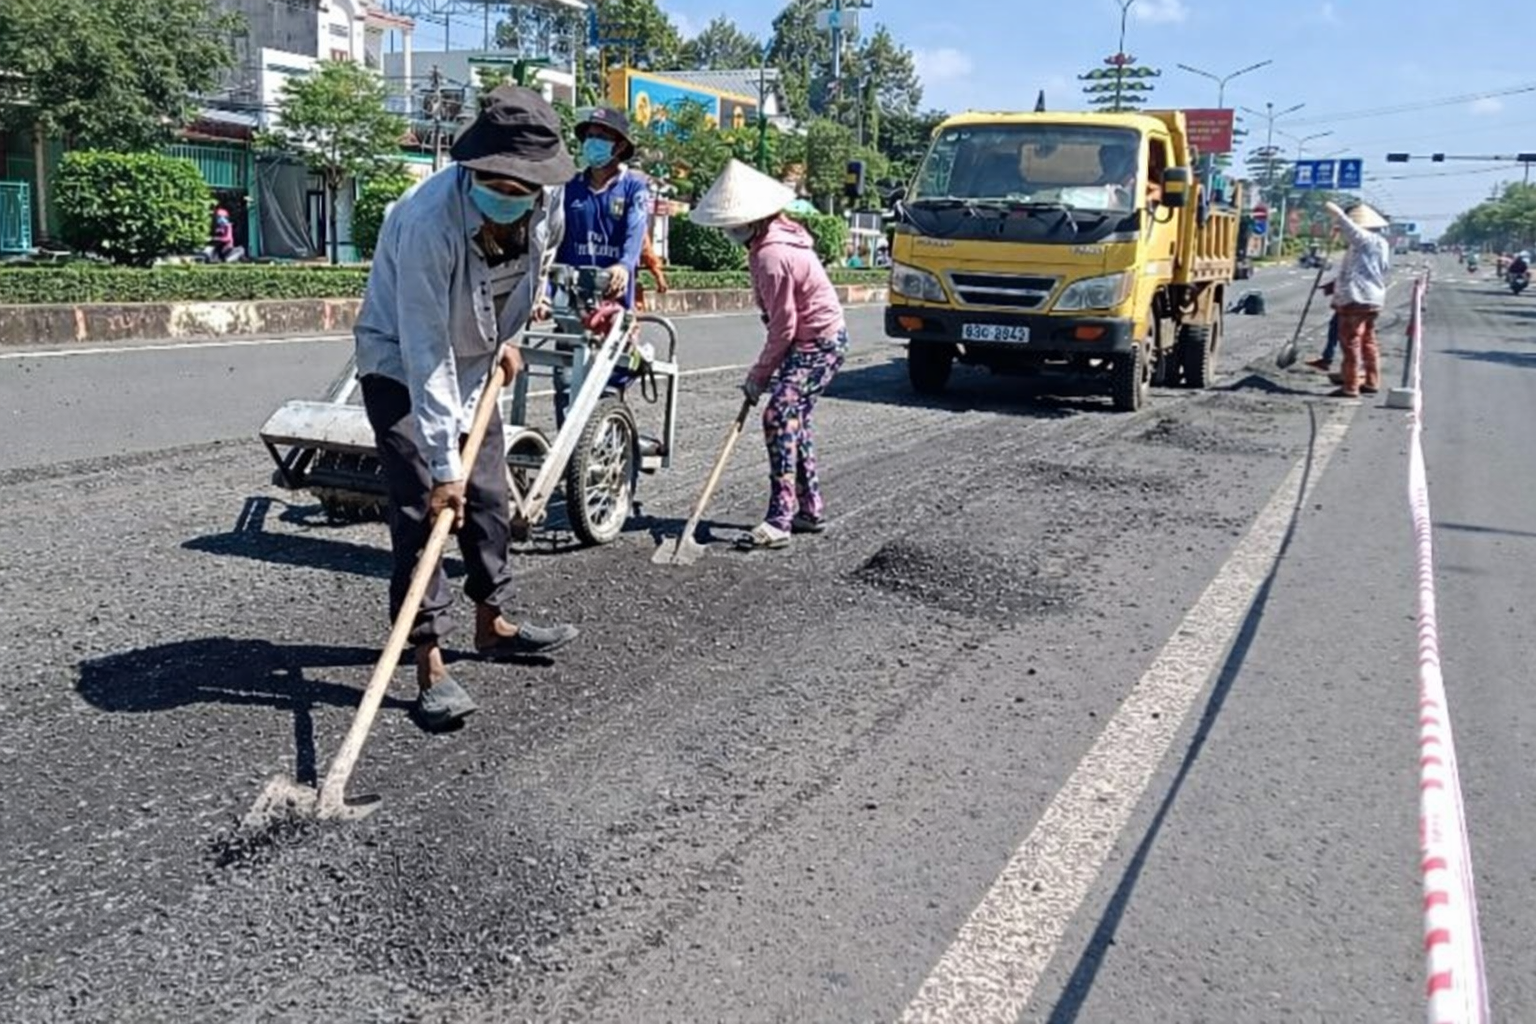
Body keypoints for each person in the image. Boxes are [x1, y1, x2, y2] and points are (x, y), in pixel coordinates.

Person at [352, 85, 581, 731]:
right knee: (423, 505)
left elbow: (540, 264)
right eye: (497, 184)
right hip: (401, 361)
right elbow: (425, 350)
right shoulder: (426, 222)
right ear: (471, 168)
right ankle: (427, 656)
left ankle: (493, 622)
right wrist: (441, 464)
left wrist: (506, 339)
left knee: (487, 498)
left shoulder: (549, 201)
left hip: (478, 356)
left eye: (524, 187)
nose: (511, 195)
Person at [689, 160, 849, 551]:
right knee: (795, 420)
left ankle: (781, 517)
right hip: (809, 343)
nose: (728, 230)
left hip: (819, 344)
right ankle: (809, 509)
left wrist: (758, 376)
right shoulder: (768, 241)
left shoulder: (771, 255)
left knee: (778, 415)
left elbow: (784, 328)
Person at [553, 106, 650, 423]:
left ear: (619, 146)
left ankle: (604, 453)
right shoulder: (569, 189)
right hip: (570, 305)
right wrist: (543, 290)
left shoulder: (633, 188)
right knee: (566, 384)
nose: (593, 143)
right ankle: (568, 463)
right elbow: (552, 242)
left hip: (613, 307)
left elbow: (636, 232)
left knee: (607, 387)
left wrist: (624, 264)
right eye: (589, 137)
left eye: (601, 137)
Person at [1323, 200, 1391, 398]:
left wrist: (1332, 208)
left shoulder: (1363, 239)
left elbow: (1343, 220)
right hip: (1373, 297)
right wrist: (1335, 284)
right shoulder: (1381, 242)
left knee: (1350, 341)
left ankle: (1350, 385)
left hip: (1357, 298)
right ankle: (1371, 381)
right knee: (1368, 341)